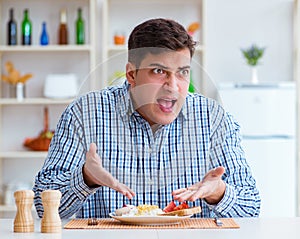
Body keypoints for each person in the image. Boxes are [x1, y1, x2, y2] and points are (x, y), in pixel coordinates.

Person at [33, 18, 260, 218]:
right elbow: (44, 208)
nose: (173, 87)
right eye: (159, 71)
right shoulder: (83, 113)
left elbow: (251, 207)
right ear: (131, 74)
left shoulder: (213, 120)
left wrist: (218, 192)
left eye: (182, 72)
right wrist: (85, 178)